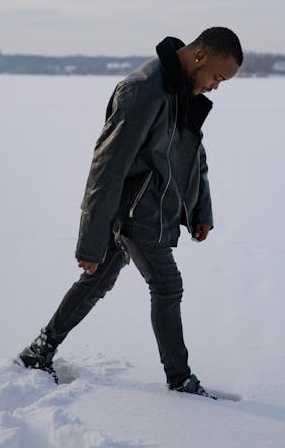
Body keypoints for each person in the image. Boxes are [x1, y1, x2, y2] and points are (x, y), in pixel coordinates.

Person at [18, 27, 243, 395]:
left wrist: (202, 208)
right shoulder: (144, 90)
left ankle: (38, 351)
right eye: (217, 77)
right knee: (167, 286)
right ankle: (181, 380)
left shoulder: (181, 89)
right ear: (200, 56)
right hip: (137, 212)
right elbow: (107, 168)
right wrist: (90, 242)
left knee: (97, 281)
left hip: (154, 208)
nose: (216, 86)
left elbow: (192, 153)